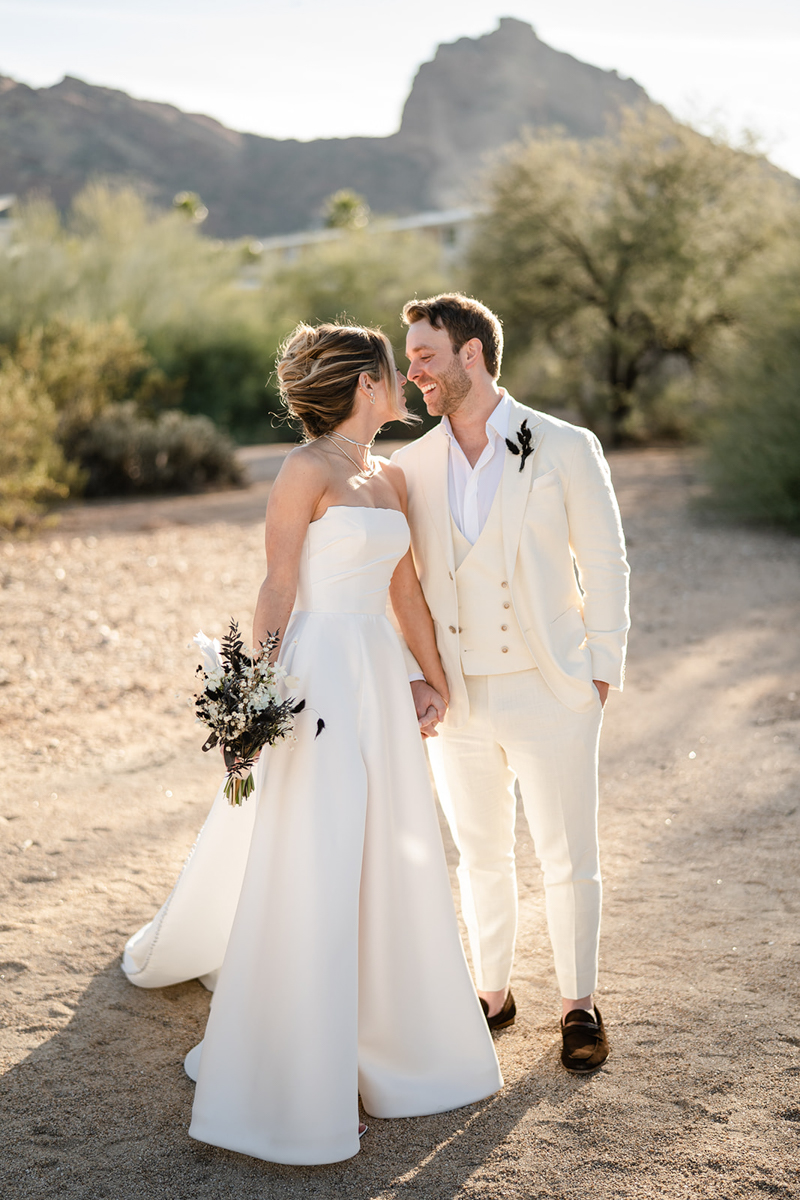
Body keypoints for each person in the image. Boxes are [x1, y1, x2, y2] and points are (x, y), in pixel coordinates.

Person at [122, 321, 502, 1165]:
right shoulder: (304, 470)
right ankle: (307, 1076)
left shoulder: (392, 475)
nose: (404, 379)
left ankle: (394, 1046)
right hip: (321, 677)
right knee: (321, 859)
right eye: (390, 371)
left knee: (389, 860)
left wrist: (430, 678)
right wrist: (252, 697)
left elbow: (404, 593)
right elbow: (279, 585)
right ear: (366, 383)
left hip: (377, 674)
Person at [392, 293, 630, 1072]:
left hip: (550, 687)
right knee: (480, 854)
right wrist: (417, 677)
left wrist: (598, 670)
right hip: (456, 696)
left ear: (472, 354)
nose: (413, 371)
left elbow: (605, 561)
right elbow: (401, 582)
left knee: (569, 856)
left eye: (425, 354)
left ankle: (578, 1004)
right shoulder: (411, 465)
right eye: (410, 356)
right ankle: (491, 994)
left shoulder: (564, 445)